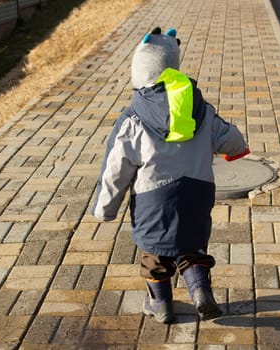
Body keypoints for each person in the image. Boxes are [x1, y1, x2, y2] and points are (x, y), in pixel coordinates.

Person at [91, 27, 249, 324]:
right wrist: (236, 149)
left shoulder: (132, 120)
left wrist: (105, 208)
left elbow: (115, 169)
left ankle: (161, 306)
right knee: (192, 249)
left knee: (156, 257)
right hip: (197, 197)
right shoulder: (199, 110)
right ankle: (201, 292)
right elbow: (230, 137)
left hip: (154, 202)